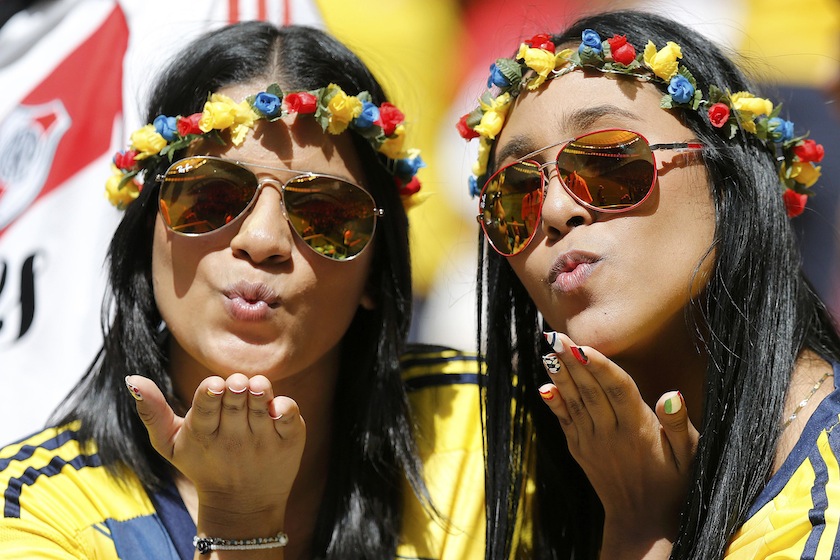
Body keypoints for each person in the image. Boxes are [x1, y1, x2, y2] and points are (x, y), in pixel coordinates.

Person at [0, 21, 485, 559]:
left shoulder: (486, 431)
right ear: (146, 235)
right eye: (207, 195)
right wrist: (240, 521)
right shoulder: (30, 509)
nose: (262, 241)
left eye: (325, 212)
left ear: (377, 269)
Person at [457, 10, 838, 559]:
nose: (558, 210)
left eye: (609, 160)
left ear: (730, 182)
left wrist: (641, 534)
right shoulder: (474, 457)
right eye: (516, 195)